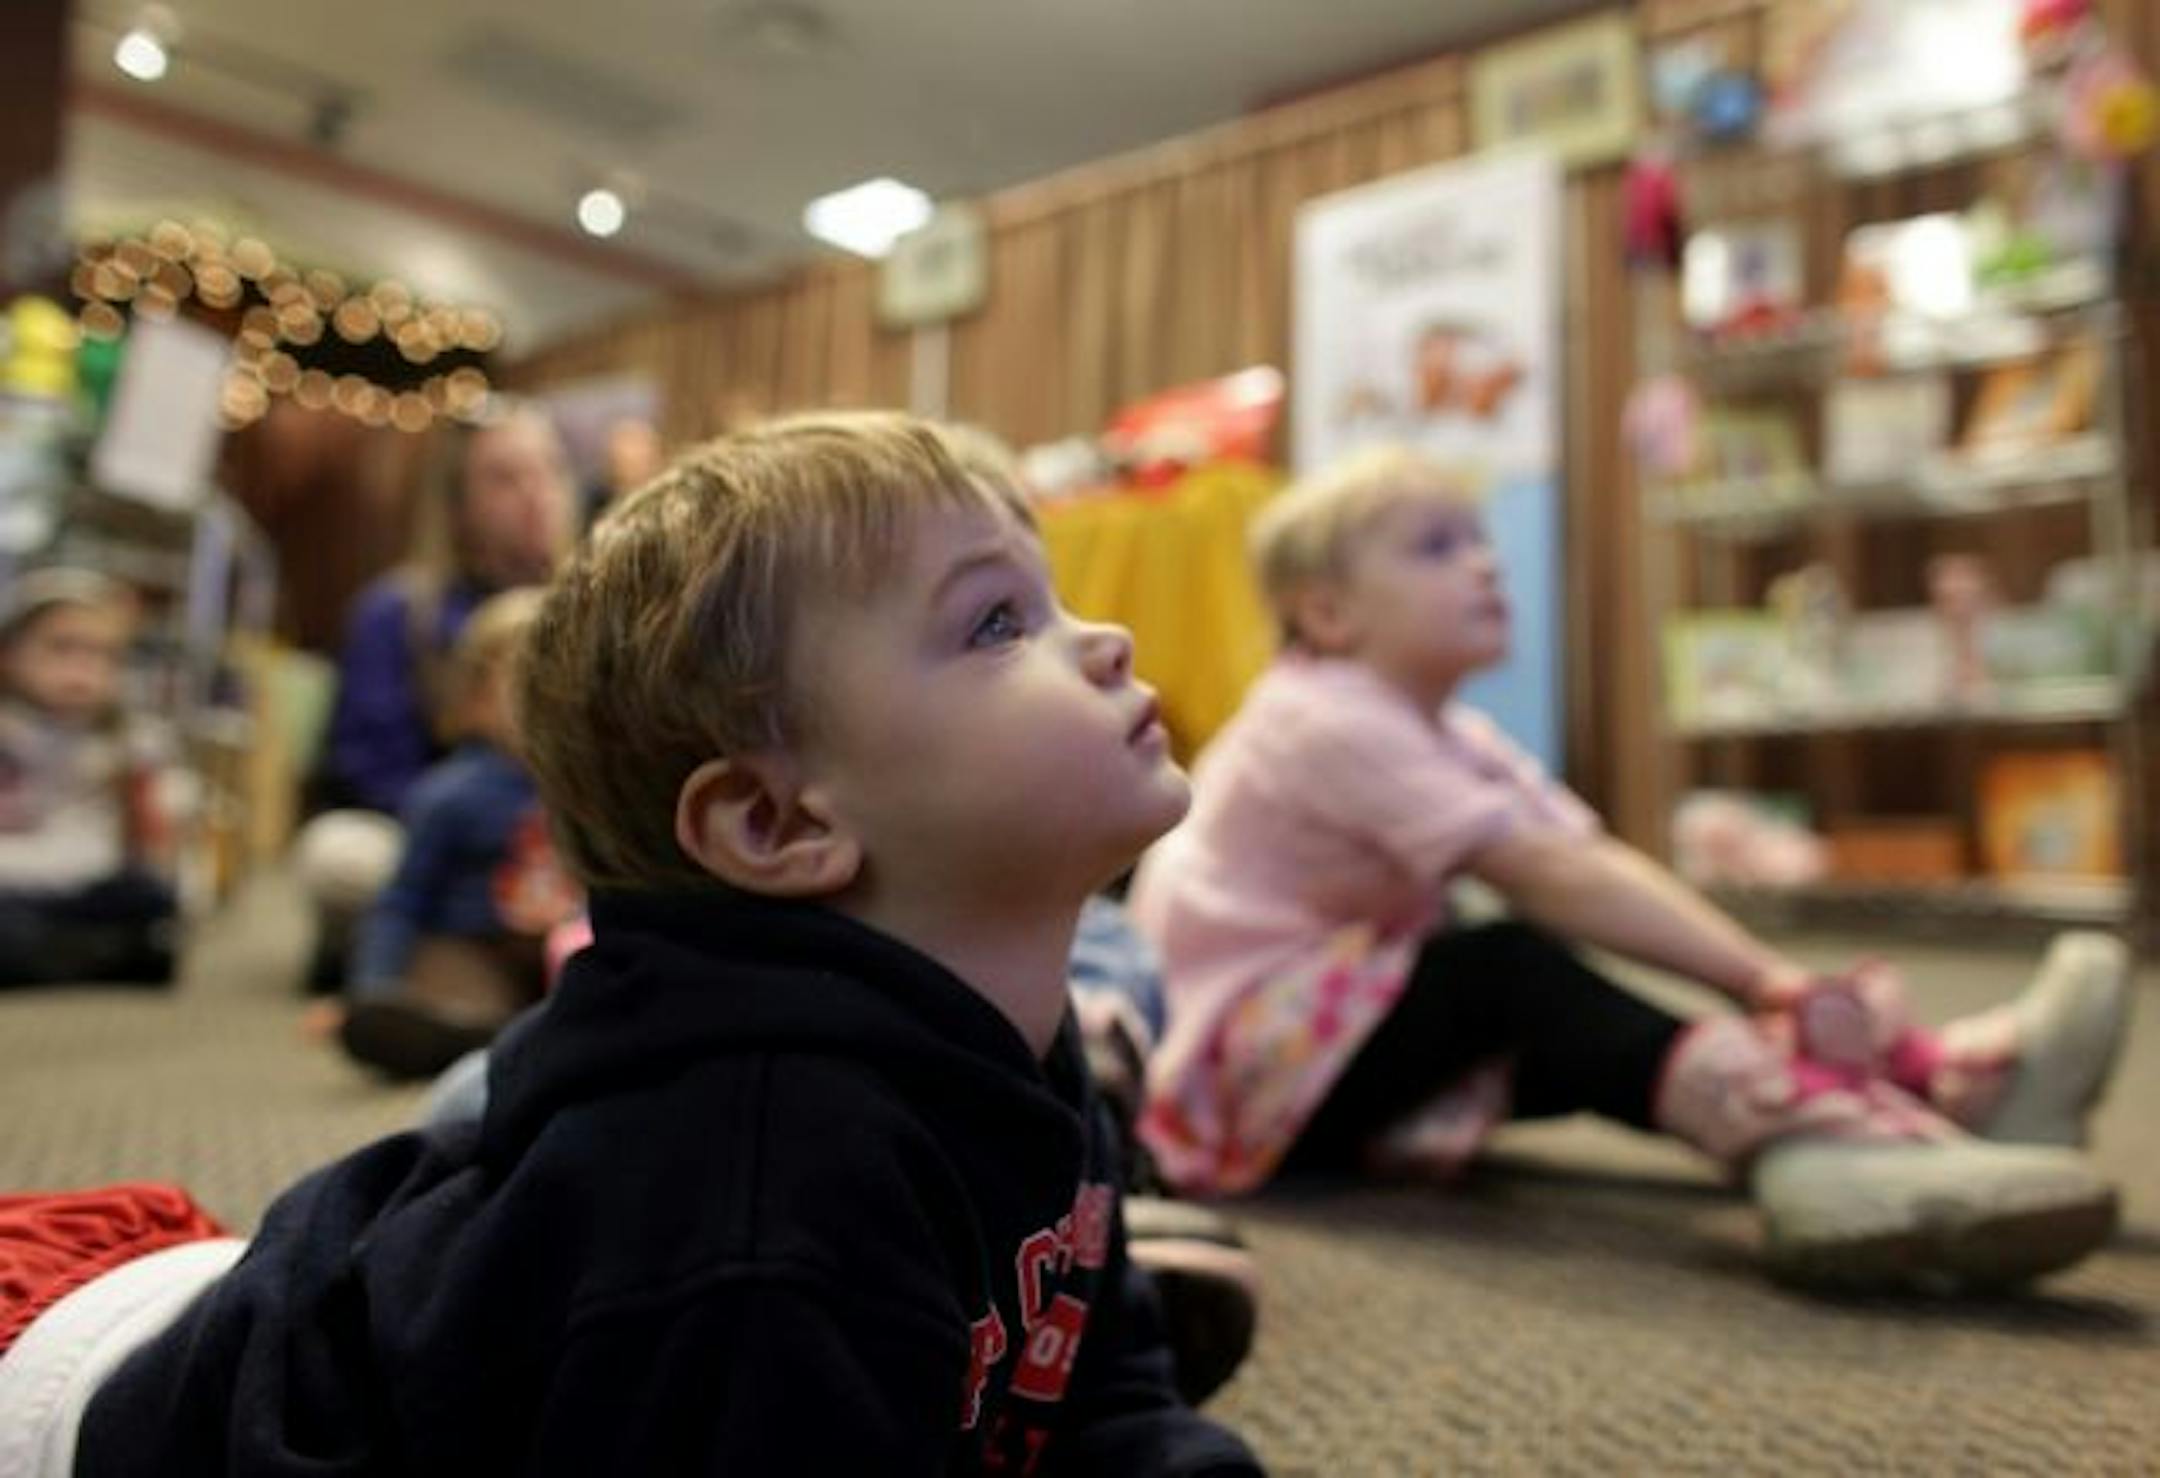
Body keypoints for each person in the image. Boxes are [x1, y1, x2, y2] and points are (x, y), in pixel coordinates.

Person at [2, 413, 1260, 1475]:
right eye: (997, 622)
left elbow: (1104, 1402)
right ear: (774, 819)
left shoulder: (1026, 1055)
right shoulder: (766, 1205)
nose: (1102, 638)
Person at [1130, 447, 2131, 1291]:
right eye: (1437, 547)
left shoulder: (1453, 732)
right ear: (1331, 613)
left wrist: (1773, 982)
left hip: (1326, 1043)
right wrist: (1762, 979)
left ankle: (1922, 1085)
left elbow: (1589, 863)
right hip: (1241, 1072)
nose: (1486, 564)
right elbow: (1548, 877)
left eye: (1479, 540)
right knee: (1510, 965)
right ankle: (1806, 1132)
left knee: (1563, 1001)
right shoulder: (1321, 715)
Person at [295, 407, 577, 986]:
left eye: (548, 470)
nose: (534, 494)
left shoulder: (595, 604)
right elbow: (363, 766)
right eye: (504, 478)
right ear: (458, 502)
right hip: (438, 833)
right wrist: (466, 818)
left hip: (561, 844)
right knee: (336, 855)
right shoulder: (399, 612)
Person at [324, 588, 581, 1081]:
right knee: (446, 984)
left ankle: (529, 1035)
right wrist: (370, 990)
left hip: (555, 946)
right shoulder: (449, 794)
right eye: (529, 683)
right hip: (469, 945)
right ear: (478, 701)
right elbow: (401, 902)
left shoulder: (583, 790)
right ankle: (469, 1038)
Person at [0, 568, 175, 987]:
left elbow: (153, 851)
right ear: (9, 655)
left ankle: (77, 955)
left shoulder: (130, 739)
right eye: (61, 649)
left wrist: (136, 788)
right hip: (13, 880)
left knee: (155, 901)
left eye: (103, 655)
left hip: (91, 883)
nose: (82, 670)